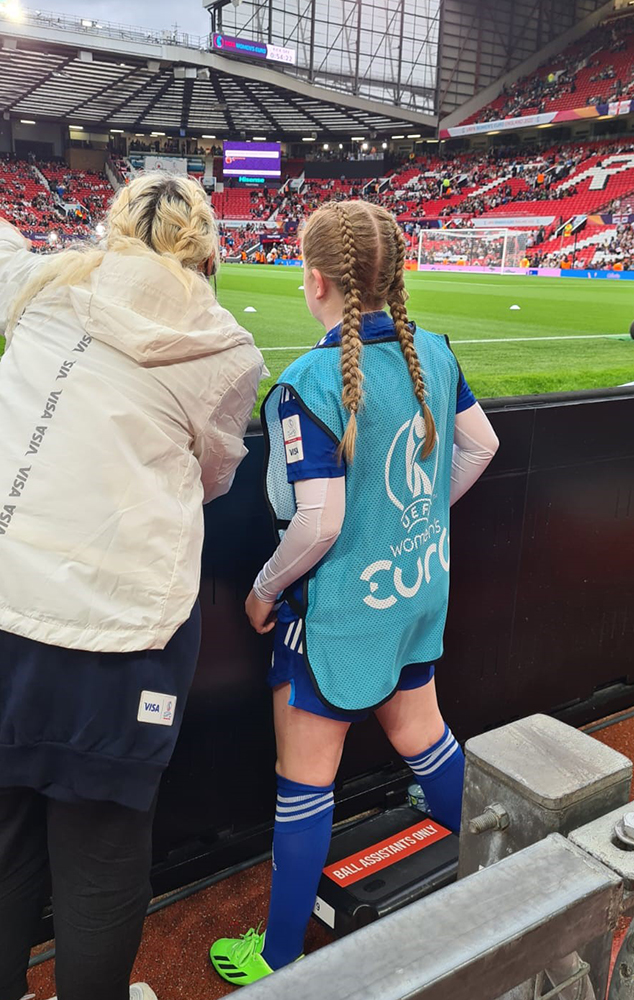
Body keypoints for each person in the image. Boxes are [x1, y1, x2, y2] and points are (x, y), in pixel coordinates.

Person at [209, 200, 499, 985]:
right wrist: (419, 517)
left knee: (305, 783)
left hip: (334, 616)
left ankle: (274, 959)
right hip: (411, 596)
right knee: (424, 736)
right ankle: (503, 865)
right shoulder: (432, 350)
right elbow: (483, 445)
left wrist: (266, 590)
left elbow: (320, 520)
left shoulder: (306, 383)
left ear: (314, 282)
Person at [0, 173, 265, 1000]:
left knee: (4, 840)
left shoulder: (44, 283)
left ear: (114, 225)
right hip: (121, 636)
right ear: (205, 245)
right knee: (102, 853)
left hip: (8, 603)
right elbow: (217, 474)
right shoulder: (224, 348)